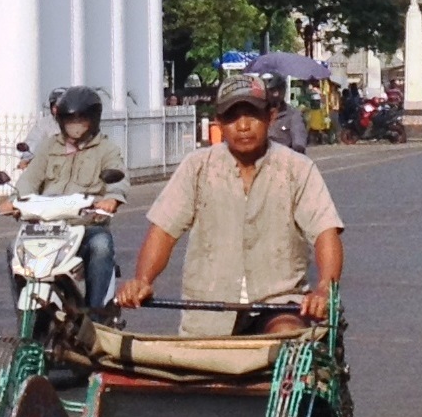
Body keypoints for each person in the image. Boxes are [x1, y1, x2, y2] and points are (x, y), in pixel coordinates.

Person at [120, 72, 342, 338]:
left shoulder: (297, 169)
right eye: (232, 117)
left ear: (270, 117)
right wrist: (143, 280)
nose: (244, 126)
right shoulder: (198, 167)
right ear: (219, 123)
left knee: (287, 340)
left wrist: (324, 289)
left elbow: (325, 232)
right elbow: (163, 232)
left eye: (252, 115)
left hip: (280, 304)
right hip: (208, 310)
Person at [13, 86, 126, 308]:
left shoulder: (106, 149)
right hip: (48, 227)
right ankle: (25, 310)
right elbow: (30, 178)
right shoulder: (48, 147)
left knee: (101, 246)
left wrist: (112, 197)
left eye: (81, 119)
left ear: (93, 120)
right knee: (14, 250)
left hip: (86, 226)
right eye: (70, 119)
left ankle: (95, 312)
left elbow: (119, 177)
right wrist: (14, 199)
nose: (75, 125)